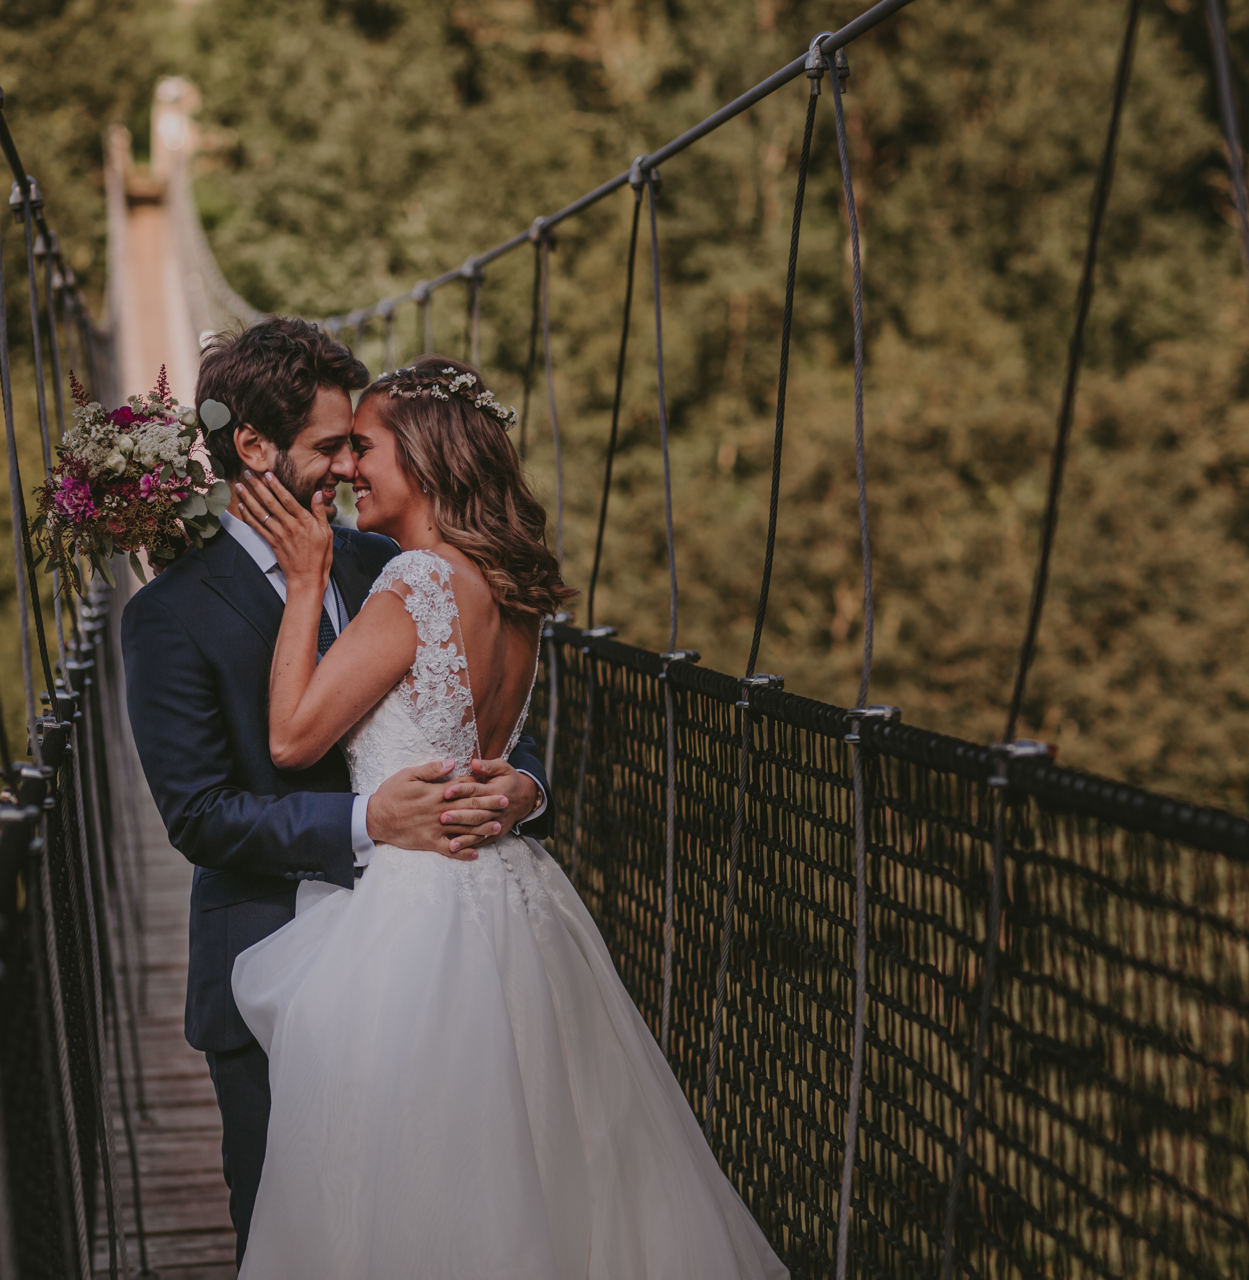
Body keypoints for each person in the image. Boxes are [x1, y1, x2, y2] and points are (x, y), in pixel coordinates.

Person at [225, 356, 789, 1279]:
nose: (348, 470)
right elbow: (487, 746)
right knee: (561, 1164)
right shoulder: (507, 584)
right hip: (513, 891)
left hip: (416, 913)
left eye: (364, 448)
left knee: (418, 1186)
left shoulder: (414, 584)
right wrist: (527, 790)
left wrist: (304, 579)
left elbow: (291, 737)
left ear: (426, 457)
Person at [119, 322, 555, 1261]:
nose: (348, 470)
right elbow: (198, 815)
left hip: (444, 959)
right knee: (301, 1242)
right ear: (252, 448)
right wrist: (368, 820)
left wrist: (524, 785)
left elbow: (486, 706)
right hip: (272, 957)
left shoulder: (389, 561)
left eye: (359, 447)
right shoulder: (168, 615)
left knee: (452, 1221)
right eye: (331, 447)